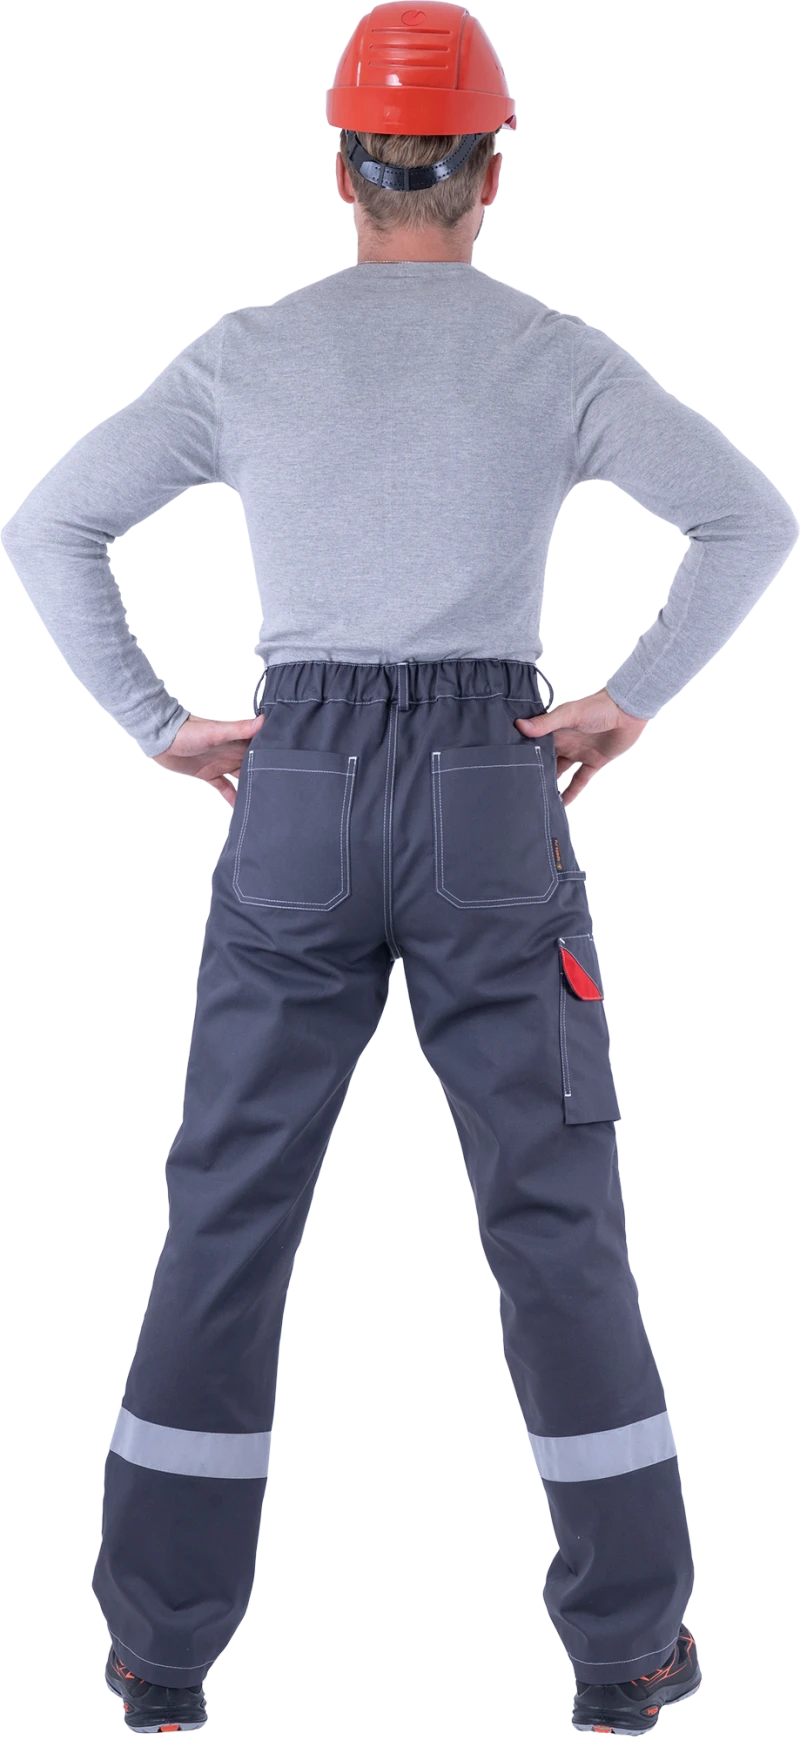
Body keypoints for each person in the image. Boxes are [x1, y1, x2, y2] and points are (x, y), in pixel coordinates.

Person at [3, 4, 797, 1734]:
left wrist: (162, 726)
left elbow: (47, 524)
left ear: (341, 170)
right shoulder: (553, 349)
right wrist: (630, 701)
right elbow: (752, 516)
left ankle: (157, 1657)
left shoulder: (248, 350)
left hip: (291, 782)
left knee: (228, 1208)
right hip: (492, 784)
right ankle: (629, 1657)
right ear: (493, 171)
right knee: (555, 1212)